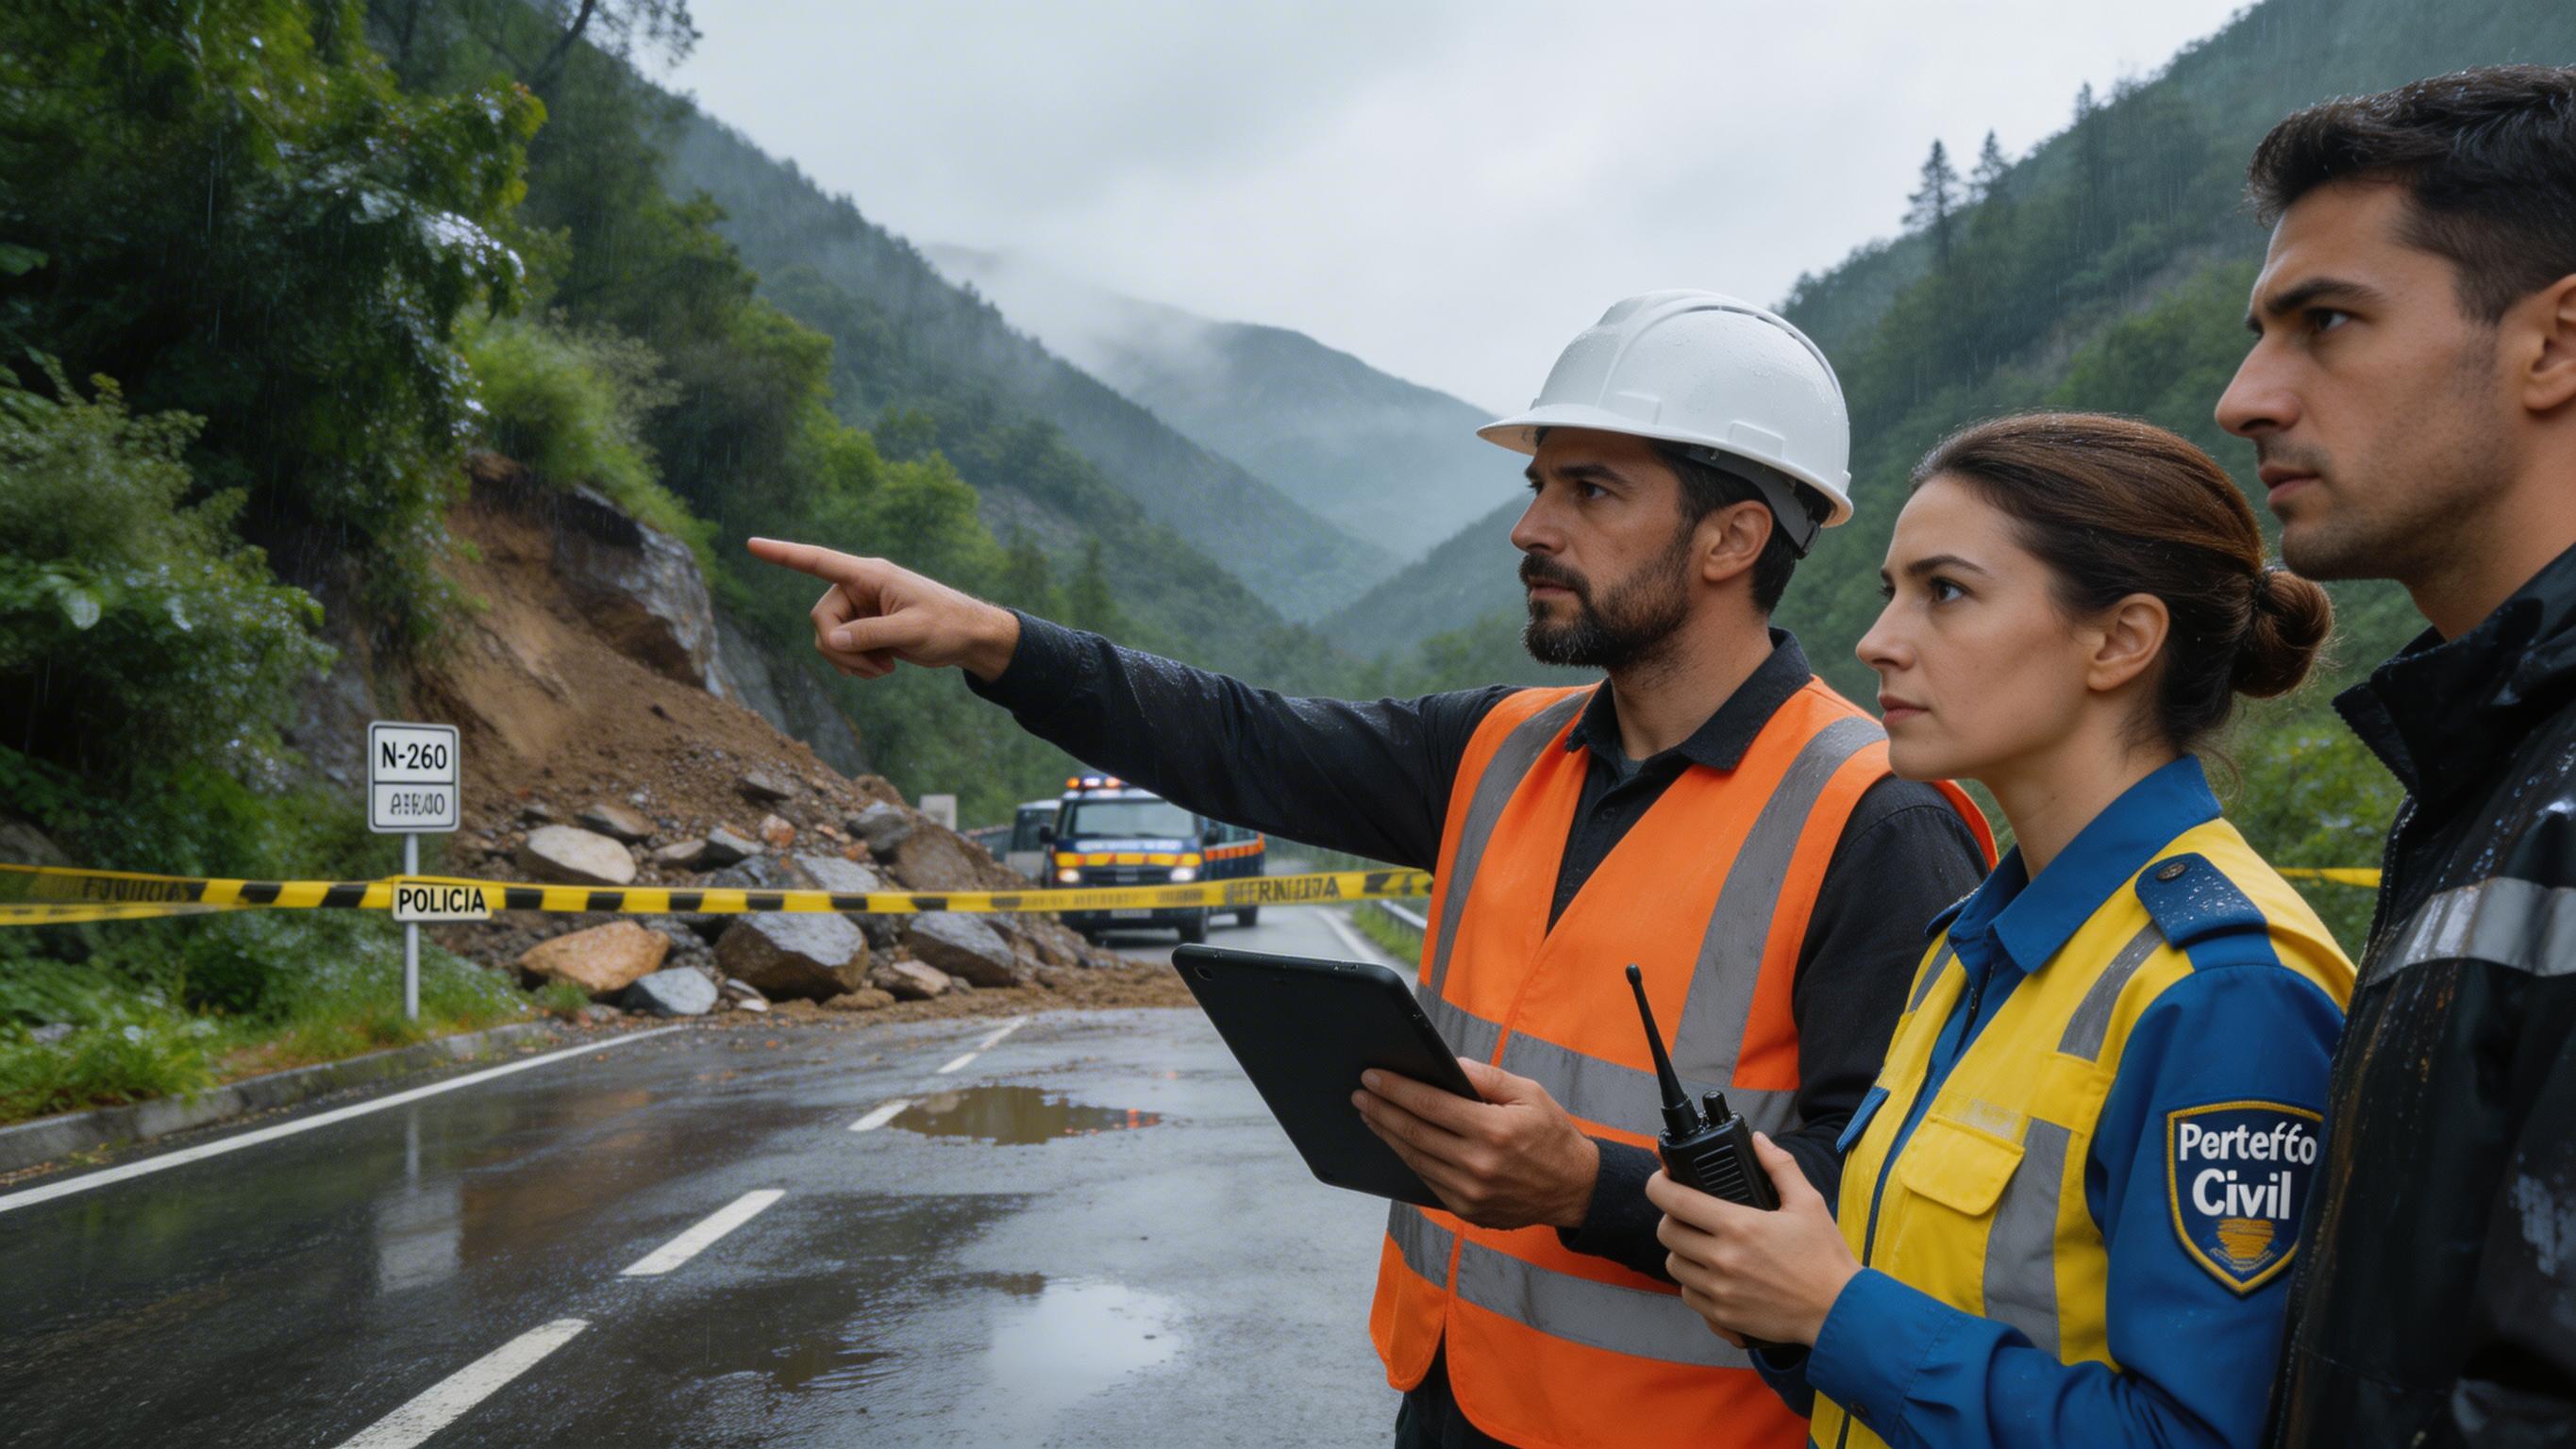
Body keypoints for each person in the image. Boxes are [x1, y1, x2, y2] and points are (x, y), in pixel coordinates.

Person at [749, 291, 1994, 1449]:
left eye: (1590, 492)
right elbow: (1241, 739)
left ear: (1729, 538)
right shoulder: (1497, 750)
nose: (1529, 526)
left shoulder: (1874, 821)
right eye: (1536, 484)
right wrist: (993, 640)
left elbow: (1879, 1206)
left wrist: (1590, 1184)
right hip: (1446, 1397)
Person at [1648, 413, 2356, 1449]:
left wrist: (1836, 1313)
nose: (1879, 638)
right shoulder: (1969, 944)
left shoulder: (2223, 993)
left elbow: (2197, 1436)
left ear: (2120, 641)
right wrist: (1788, 1307)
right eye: (1894, 589)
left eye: (1945, 592)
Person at [2214, 65, 2576, 1446]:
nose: (2245, 395)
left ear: (2552, 345)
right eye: (2262, 330)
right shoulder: (2492, 771)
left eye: (2325, 323)